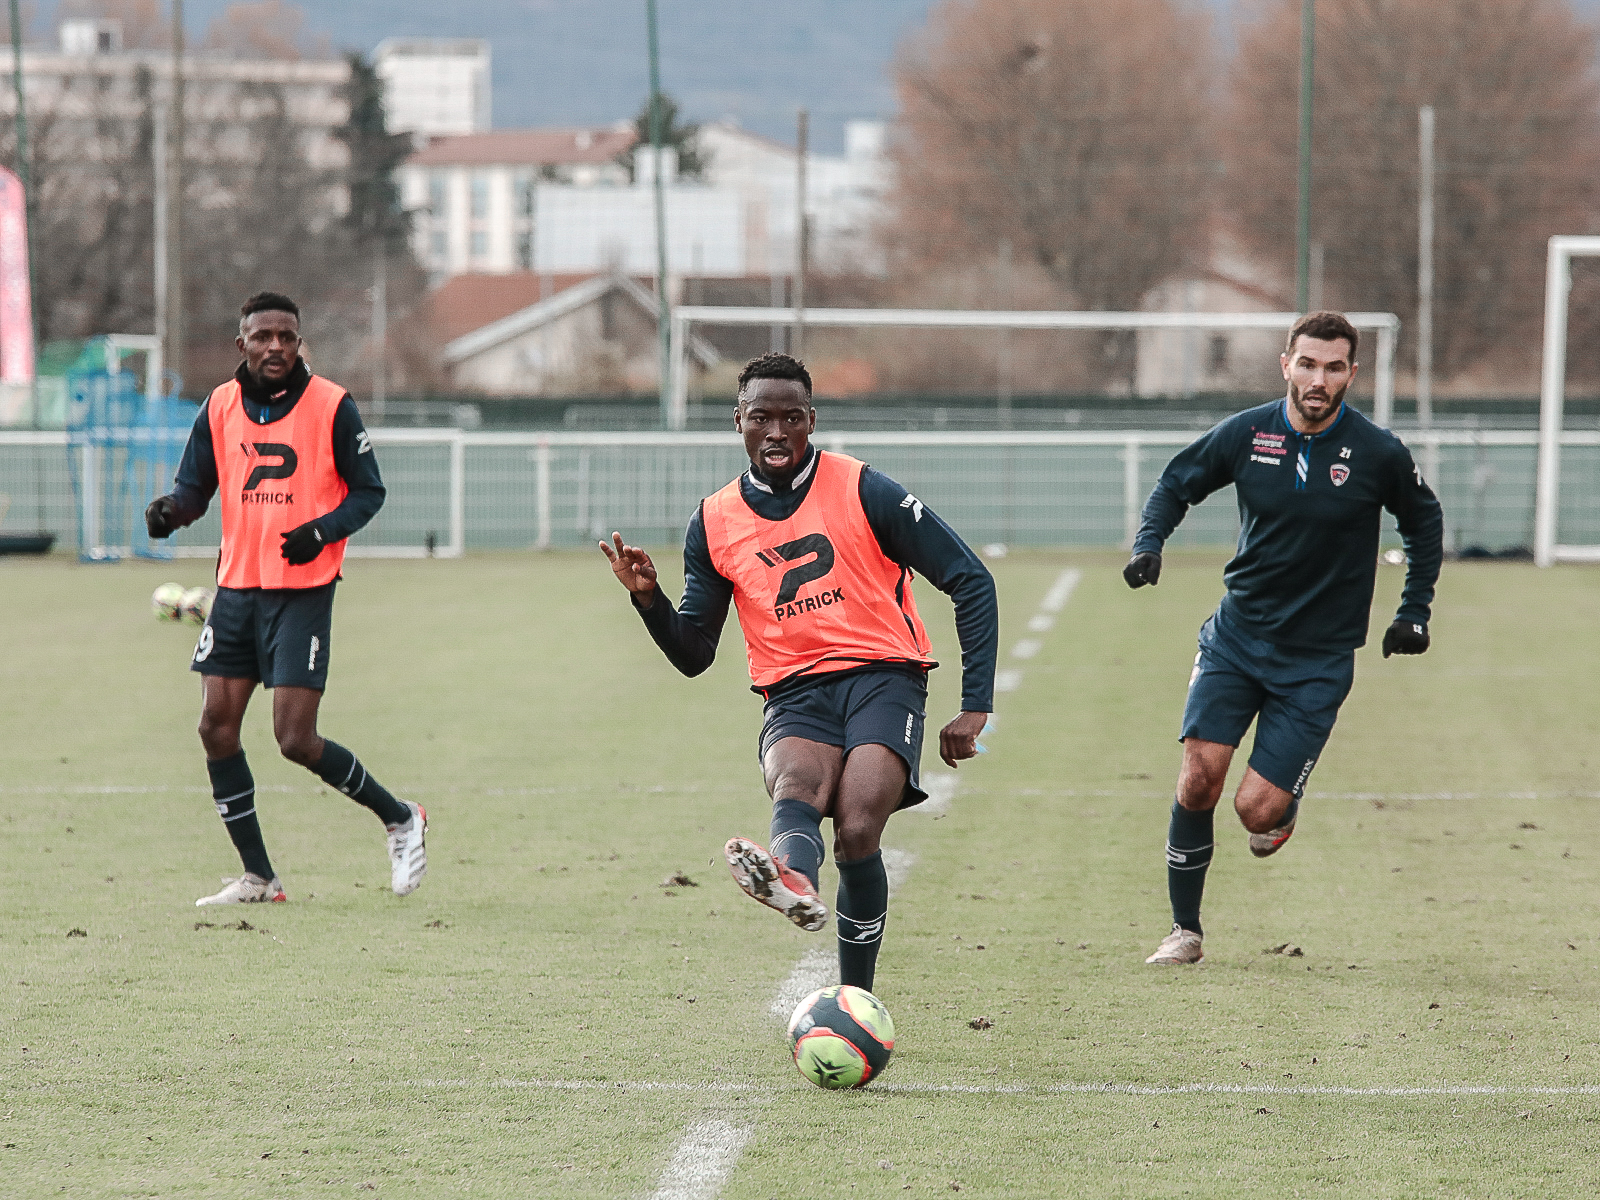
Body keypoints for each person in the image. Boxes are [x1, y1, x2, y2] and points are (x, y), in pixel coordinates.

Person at [601, 353, 997, 993]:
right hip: (794, 692)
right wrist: (649, 600)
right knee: (796, 788)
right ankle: (791, 882)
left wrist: (975, 704)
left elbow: (971, 581)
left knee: (859, 823)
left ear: (812, 421)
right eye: (762, 418)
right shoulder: (714, 521)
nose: (777, 432)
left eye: (792, 418)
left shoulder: (865, 488)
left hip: (883, 677)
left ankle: (855, 998)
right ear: (738, 423)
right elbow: (695, 653)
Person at [1124, 311, 1443, 965]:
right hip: (1237, 640)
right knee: (1197, 780)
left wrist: (1414, 612)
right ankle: (1185, 931)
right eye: (1307, 364)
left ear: (1352, 373)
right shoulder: (1247, 434)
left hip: (1319, 662)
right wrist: (1148, 545)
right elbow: (1174, 485)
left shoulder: (1378, 452)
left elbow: (1425, 520)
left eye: (1332, 367)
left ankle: (1281, 812)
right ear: (1286, 364)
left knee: (1254, 811)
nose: (1318, 379)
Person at [144, 291, 427, 906]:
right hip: (236, 589)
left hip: (302, 593)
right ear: (240, 342)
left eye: (286, 336)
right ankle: (259, 877)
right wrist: (172, 512)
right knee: (215, 727)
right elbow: (195, 488)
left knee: (295, 739)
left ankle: (402, 818)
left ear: (300, 343)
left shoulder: (332, 405)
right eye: (263, 335)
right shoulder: (219, 406)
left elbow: (368, 492)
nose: (275, 346)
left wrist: (320, 531)